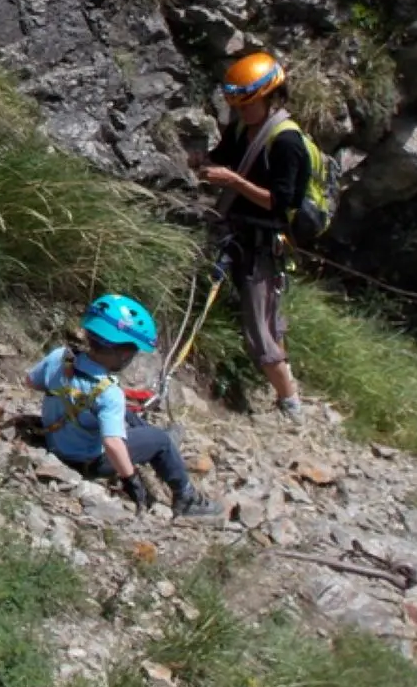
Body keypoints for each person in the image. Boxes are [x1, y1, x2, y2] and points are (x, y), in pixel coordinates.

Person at [27, 294, 220, 518]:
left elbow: (31, 382)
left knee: (120, 414)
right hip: (87, 461)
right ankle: (186, 498)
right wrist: (131, 480)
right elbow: (112, 444)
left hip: (57, 443)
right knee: (161, 440)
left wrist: (69, 396)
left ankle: (150, 440)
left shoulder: (60, 357)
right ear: (124, 352)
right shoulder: (109, 392)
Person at [193, 51, 306, 422]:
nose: (241, 113)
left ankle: (290, 401)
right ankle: (284, 384)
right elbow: (222, 156)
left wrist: (234, 182)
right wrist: (204, 164)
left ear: (270, 98)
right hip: (234, 230)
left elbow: (280, 203)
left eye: (249, 105)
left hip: (263, 242)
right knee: (262, 316)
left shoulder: (287, 142)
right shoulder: (242, 128)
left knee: (259, 326)